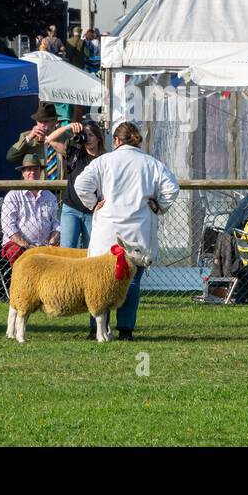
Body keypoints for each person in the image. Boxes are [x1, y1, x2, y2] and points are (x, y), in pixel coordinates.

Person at [74, 121, 179, 339]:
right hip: (137, 232)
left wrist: (93, 203)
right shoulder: (152, 164)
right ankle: (126, 330)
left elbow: (81, 184)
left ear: (116, 140)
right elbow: (171, 188)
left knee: (99, 282)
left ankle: (97, 329)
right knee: (132, 281)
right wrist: (159, 206)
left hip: (107, 232)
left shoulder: (104, 161)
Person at [45, 119, 106, 250]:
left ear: (98, 138)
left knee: (91, 250)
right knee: (67, 249)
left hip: (92, 212)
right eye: (85, 134)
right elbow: (49, 139)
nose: (87, 139)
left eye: (91, 135)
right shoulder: (75, 153)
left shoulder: (105, 159)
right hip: (71, 209)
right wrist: (68, 127)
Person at [0, 154, 61, 265]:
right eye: (28, 169)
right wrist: (26, 245)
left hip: (46, 245)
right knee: (15, 252)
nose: (32, 172)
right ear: (23, 173)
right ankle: (21, 281)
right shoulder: (13, 195)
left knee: (64, 252)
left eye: (35, 169)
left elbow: (57, 224)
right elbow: (8, 225)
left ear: (40, 172)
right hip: (18, 245)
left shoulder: (50, 196)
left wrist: (52, 243)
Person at [6, 102, 63, 179]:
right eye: (40, 121)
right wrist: (29, 138)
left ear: (55, 121)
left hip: (61, 187)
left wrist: (51, 140)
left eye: (46, 121)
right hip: (37, 188)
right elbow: (11, 157)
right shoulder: (27, 136)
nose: (42, 125)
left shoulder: (64, 136)